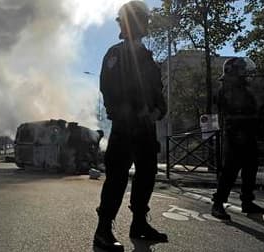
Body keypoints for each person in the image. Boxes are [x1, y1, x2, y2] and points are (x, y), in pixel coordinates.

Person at [93, 1, 168, 251]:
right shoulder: (115, 53)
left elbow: (159, 94)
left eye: (141, 20)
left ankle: (139, 225)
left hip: (146, 129)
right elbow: (109, 90)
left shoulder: (148, 58)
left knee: (146, 176)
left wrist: (157, 110)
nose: (139, 24)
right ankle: (103, 231)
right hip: (125, 128)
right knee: (117, 178)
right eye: (134, 19)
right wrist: (131, 112)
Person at [212, 57, 264, 220]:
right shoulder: (227, 88)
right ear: (233, 71)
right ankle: (218, 203)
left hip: (248, 133)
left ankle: (247, 202)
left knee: (250, 169)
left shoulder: (244, 88)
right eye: (241, 70)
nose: (244, 73)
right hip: (235, 134)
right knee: (229, 171)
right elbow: (234, 111)